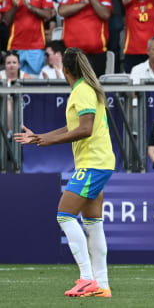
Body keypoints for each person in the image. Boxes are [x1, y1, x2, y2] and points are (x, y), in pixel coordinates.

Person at [15, 47, 114, 298]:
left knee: (64, 215)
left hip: (92, 162)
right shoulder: (85, 89)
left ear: (66, 70)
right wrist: (41, 137)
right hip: (98, 161)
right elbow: (73, 127)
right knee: (93, 223)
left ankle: (87, 278)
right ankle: (101, 285)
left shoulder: (81, 91)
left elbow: (85, 129)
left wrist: (49, 143)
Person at [1, 0, 54, 76]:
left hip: (37, 46)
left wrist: (29, 7)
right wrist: (15, 6)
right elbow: (6, 21)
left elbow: (48, 14)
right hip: (15, 44)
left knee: (34, 83)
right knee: (14, 83)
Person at [59, 0, 113, 78]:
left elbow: (105, 14)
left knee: (94, 88)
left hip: (96, 54)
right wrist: (83, 3)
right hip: (73, 53)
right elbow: (62, 11)